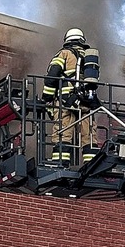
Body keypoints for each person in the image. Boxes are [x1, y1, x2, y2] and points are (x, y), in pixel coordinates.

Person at [42, 27, 99, 166]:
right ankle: (91, 165)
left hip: (66, 101)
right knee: (89, 135)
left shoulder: (64, 54)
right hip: (86, 102)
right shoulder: (89, 58)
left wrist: (47, 98)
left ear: (67, 40)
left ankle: (61, 162)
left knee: (62, 132)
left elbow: (52, 77)